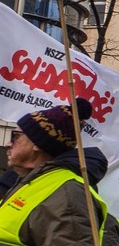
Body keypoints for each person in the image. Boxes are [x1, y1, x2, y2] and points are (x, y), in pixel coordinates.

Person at [0, 98, 109, 245]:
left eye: (16, 136)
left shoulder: (68, 194)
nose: (8, 144)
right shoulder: (30, 181)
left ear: (37, 144)